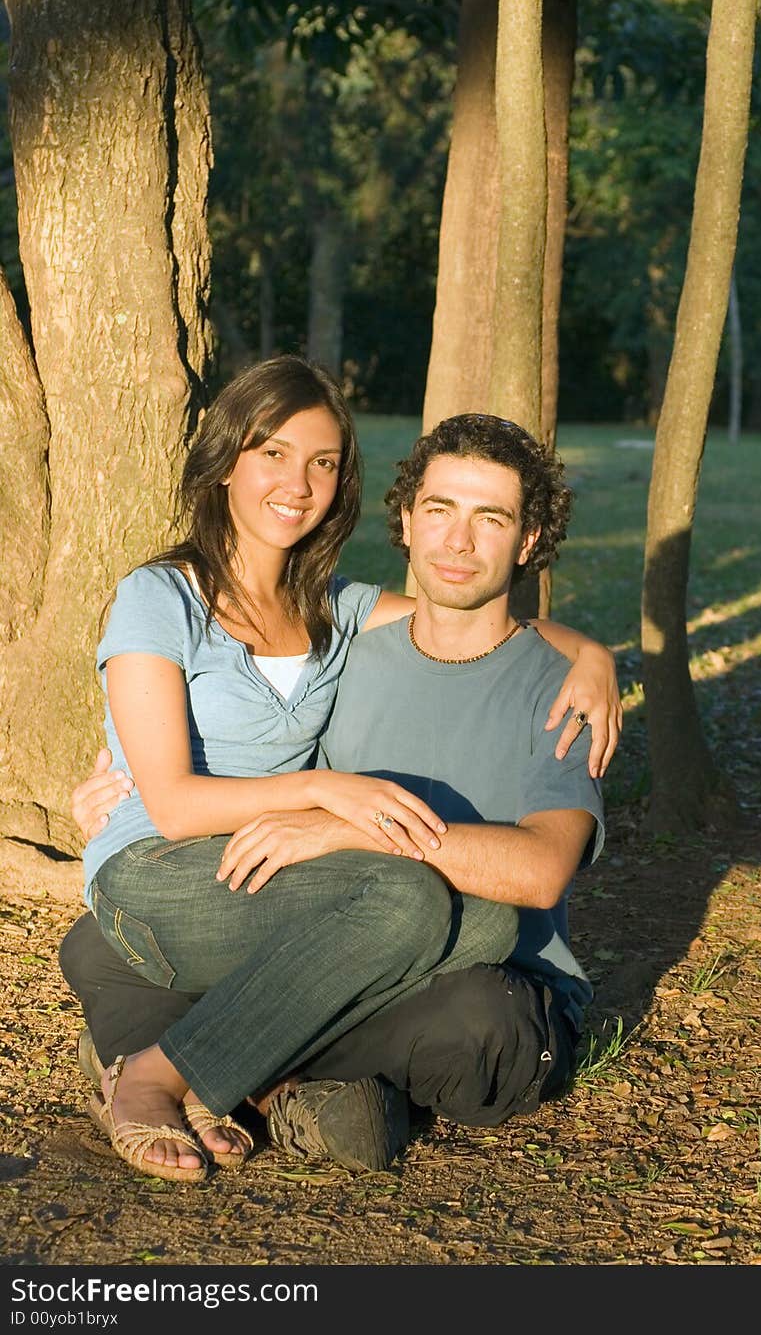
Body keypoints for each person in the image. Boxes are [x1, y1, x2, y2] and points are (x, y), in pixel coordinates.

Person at [62, 356, 620, 1183]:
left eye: (323, 462)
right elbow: (175, 803)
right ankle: (195, 1072)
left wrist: (597, 654)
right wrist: (326, 795)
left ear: (528, 538)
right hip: (180, 866)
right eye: (273, 454)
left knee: (487, 938)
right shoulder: (164, 597)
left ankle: (190, 1055)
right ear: (225, 465)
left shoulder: (338, 611)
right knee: (407, 905)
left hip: (302, 897)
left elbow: (463, 620)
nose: (299, 481)